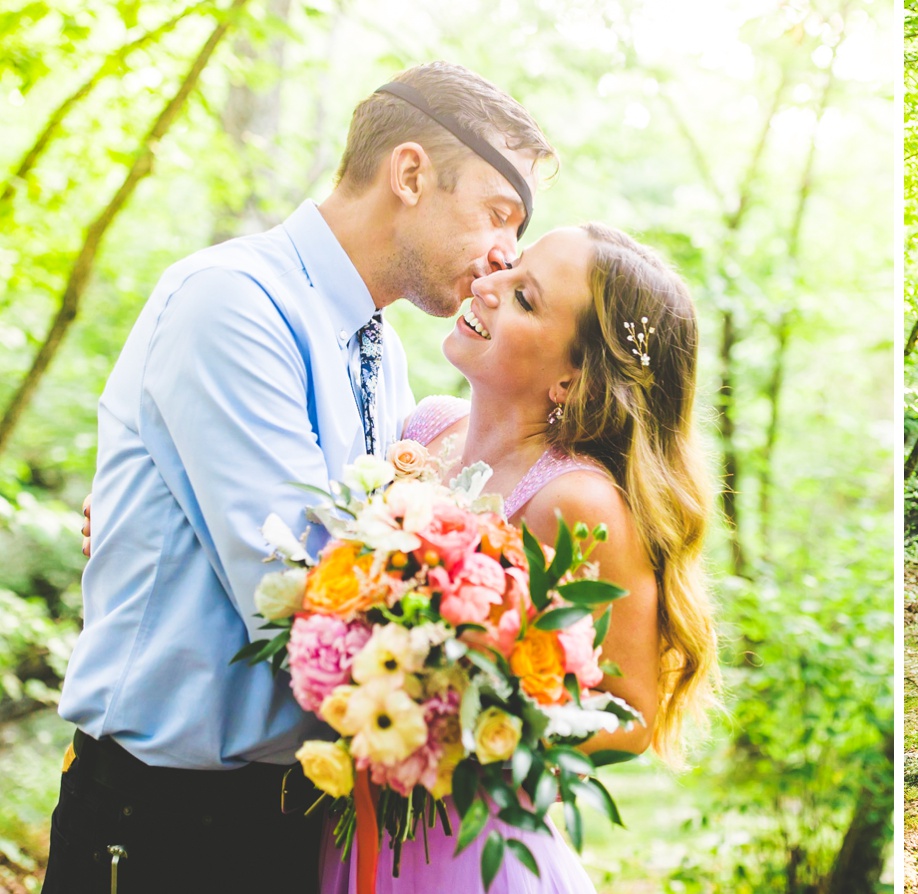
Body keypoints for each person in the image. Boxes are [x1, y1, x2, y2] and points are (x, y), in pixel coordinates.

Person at [46, 62, 551, 894]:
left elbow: (377, 549)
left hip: (297, 821)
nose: (507, 253)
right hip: (164, 827)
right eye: (500, 212)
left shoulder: (377, 347)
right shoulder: (232, 302)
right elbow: (302, 590)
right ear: (413, 173)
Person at [321, 223, 718, 892]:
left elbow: (631, 716)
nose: (487, 285)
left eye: (525, 297)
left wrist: (465, 721)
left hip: (467, 849)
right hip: (356, 825)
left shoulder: (578, 499)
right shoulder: (423, 431)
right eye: (509, 267)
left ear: (572, 376)